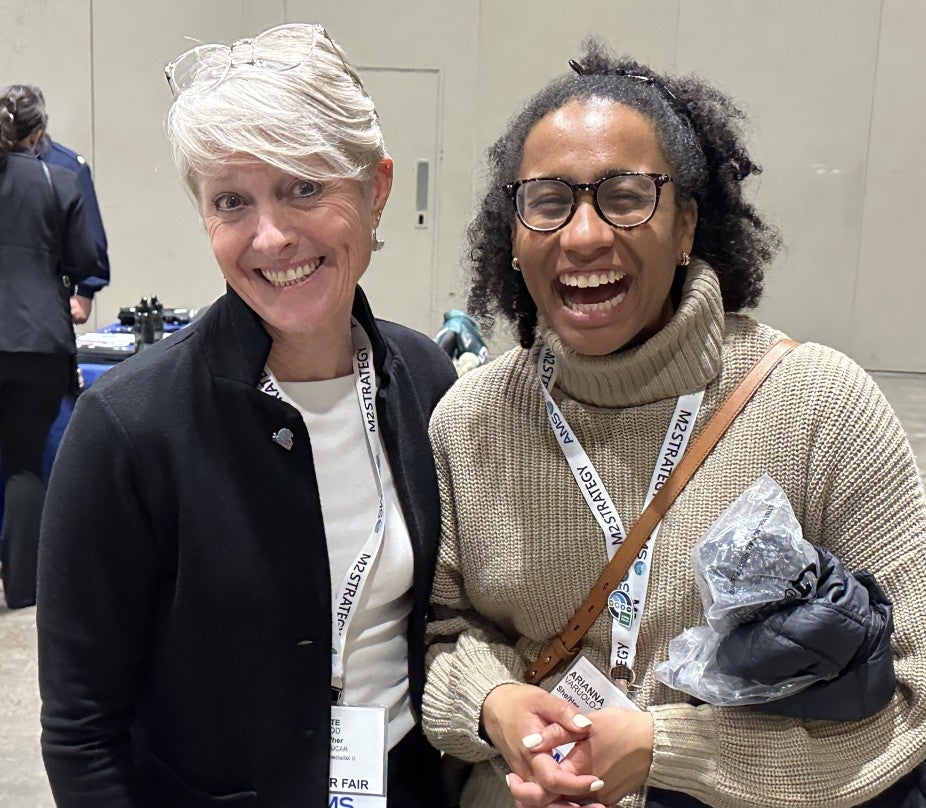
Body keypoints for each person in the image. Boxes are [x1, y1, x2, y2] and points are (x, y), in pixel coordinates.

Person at [422, 40, 926, 808]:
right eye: (549, 201)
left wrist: (670, 752)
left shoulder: (821, 407)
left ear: (687, 224)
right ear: (515, 236)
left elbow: (913, 694)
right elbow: (441, 635)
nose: (584, 235)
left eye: (626, 195)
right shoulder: (471, 422)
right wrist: (496, 707)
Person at [37, 23, 455, 807]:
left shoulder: (423, 378)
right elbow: (81, 732)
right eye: (233, 201)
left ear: (377, 188)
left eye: (305, 186)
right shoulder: (129, 429)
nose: (271, 236)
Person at [0, 86, 98, 609]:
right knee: (21, 463)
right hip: (37, 341)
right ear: (38, 134)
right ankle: (21, 589)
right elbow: (88, 259)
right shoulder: (58, 181)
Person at [0, 85, 111, 326]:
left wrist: (85, 292)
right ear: (40, 127)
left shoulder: (63, 167)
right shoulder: (63, 173)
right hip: (42, 322)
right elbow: (87, 253)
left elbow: (89, 243)